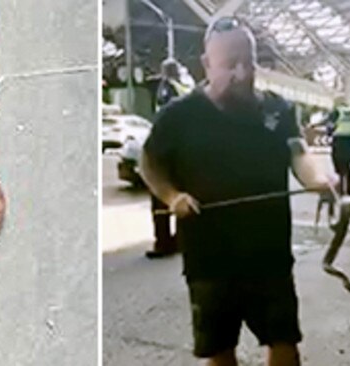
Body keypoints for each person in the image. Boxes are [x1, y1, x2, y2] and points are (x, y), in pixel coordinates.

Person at [140, 16, 337, 366]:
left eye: (249, 61)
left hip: (269, 253)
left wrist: (316, 180)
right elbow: (150, 163)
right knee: (220, 352)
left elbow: (298, 153)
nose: (243, 73)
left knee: (284, 344)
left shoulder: (278, 108)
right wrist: (173, 197)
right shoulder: (179, 115)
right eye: (230, 64)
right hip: (209, 258)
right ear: (206, 64)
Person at [146, 58, 192, 259]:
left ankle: (163, 242)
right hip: (184, 150)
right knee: (183, 192)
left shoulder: (167, 87)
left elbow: (163, 116)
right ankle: (181, 240)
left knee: (159, 198)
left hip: (167, 149)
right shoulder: (185, 87)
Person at [309, 96, 350, 195]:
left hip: (338, 141)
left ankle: (340, 189)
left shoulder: (337, 112)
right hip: (348, 140)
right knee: (347, 166)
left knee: (338, 166)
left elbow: (326, 121)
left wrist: (314, 125)